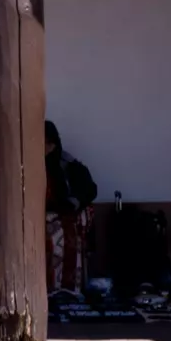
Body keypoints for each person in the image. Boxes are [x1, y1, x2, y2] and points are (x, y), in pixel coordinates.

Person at [45, 120, 97, 295]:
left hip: (70, 211)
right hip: (45, 213)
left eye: (46, 143)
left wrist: (72, 202)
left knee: (61, 233)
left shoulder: (68, 163)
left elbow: (89, 189)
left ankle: (66, 289)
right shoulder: (30, 163)